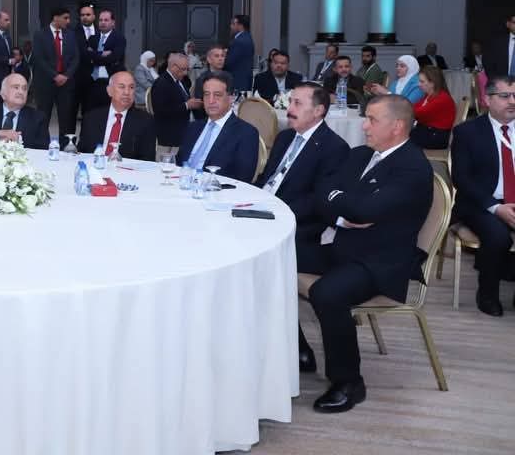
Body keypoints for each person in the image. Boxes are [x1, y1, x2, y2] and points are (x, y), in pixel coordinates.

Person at [299, 95, 432, 413]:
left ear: (397, 126)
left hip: (381, 261)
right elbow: (323, 192)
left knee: (327, 293)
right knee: (277, 258)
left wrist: (341, 200)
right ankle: (298, 350)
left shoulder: (413, 168)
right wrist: (343, 210)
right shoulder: (361, 154)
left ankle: (348, 382)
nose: (364, 126)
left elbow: (363, 209)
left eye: (372, 119)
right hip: (344, 244)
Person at [254, 83, 349, 251]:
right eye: (290, 101)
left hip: (292, 220)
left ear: (318, 111)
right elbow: (267, 177)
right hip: (260, 206)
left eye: (297, 103)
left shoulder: (334, 147)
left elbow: (317, 199)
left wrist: (274, 212)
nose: (289, 109)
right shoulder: (284, 137)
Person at [451, 75, 515, 316]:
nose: (512, 101)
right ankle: (487, 294)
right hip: (480, 202)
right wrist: (496, 208)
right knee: (498, 236)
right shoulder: (467, 132)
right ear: (487, 99)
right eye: (505, 96)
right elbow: (462, 178)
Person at [175, 70, 259, 182]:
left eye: (217, 95)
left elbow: (242, 179)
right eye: (206, 94)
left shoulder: (246, 133)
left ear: (231, 98)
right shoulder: (193, 128)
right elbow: (179, 164)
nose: (211, 101)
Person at [78, 71, 155, 160]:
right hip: (94, 165)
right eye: (122, 87)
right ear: (109, 91)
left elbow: (148, 160)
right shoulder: (91, 117)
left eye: (131, 87)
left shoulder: (145, 121)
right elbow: (81, 153)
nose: (127, 92)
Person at [31, 6, 80, 136]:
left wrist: (66, 76)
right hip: (45, 83)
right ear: (55, 18)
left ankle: (65, 145)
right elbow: (39, 59)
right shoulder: (40, 35)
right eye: (65, 18)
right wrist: (55, 75)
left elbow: (76, 57)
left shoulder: (71, 34)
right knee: (43, 117)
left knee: (66, 119)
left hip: (66, 84)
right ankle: (42, 143)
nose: (68, 21)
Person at [0, 73, 50, 150]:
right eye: (16, 87)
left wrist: (18, 139)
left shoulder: (38, 118)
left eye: (24, 89)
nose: (21, 92)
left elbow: (43, 149)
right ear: (3, 93)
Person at [150, 53, 203, 150]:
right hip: (171, 134)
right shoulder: (161, 83)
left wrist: (194, 103)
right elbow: (161, 111)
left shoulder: (180, 80)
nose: (186, 73)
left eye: (187, 69)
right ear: (173, 67)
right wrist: (187, 105)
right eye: (183, 69)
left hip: (185, 126)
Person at [85, 8, 126, 111]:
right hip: (92, 82)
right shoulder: (92, 38)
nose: (103, 22)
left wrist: (94, 56)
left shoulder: (119, 38)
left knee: (108, 112)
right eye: (100, 20)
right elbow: (87, 56)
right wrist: (101, 54)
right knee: (91, 113)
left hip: (110, 82)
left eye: (106, 20)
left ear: (113, 22)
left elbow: (114, 58)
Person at [411, 65, 455, 150]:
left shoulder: (442, 98)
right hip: (429, 132)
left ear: (432, 83)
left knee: (400, 137)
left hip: (437, 137)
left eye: (422, 82)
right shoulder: (429, 96)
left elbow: (416, 113)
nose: (418, 84)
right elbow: (413, 108)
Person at [74, 4, 97, 119]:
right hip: (79, 75)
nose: (85, 17)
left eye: (88, 14)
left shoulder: (101, 31)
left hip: (98, 76)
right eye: (82, 15)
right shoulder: (73, 32)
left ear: (94, 16)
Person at [225, 14, 255, 94]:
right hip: (244, 79)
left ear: (240, 25)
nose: (231, 26)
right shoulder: (247, 37)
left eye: (233, 24)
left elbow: (229, 62)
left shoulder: (239, 41)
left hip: (237, 81)